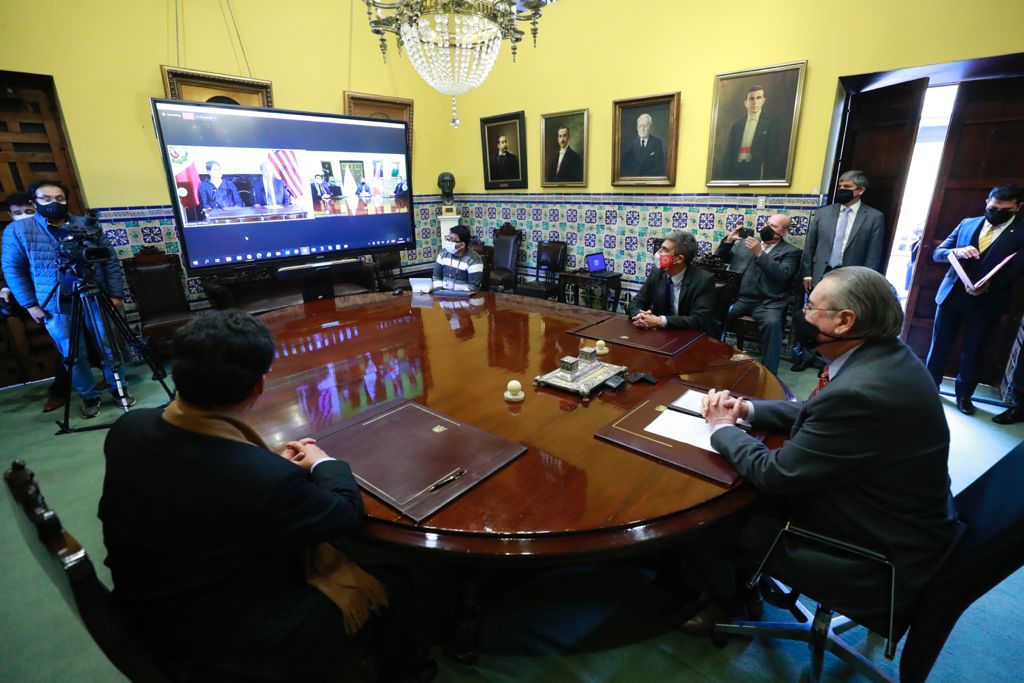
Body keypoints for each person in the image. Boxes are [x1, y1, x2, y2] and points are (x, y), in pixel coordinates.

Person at [99, 310, 434, 683]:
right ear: (259, 385)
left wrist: (267, 467)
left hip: (144, 612)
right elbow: (345, 515)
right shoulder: (260, 478)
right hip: (221, 645)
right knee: (402, 584)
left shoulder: (128, 428)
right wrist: (326, 464)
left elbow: (205, 482)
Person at [670, 267, 959, 637]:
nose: (802, 315)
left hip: (875, 552)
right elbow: (815, 409)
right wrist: (746, 409)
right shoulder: (885, 357)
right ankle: (745, 584)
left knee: (711, 517)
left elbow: (775, 475)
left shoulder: (860, 392)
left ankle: (730, 604)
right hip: (903, 516)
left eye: (810, 307)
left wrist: (722, 427)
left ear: (844, 321)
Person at [1, 180, 130, 419]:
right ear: (34, 202)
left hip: (96, 295)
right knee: (72, 354)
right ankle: (89, 396)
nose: (54, 203)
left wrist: (115, 294)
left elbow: (109, 260)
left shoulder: (85, 225)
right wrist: (30, 304)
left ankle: (119, 391)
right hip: (55, 302)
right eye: (46, 198)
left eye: (59, 198)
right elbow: (13, 269)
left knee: (109, 347)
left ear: (67, 200)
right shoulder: (18, 230)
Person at [925, 184, 1024, 415]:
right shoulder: (967, 223)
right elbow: (938, 253)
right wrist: (956, 252)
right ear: (986, 203)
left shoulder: (1021, 232)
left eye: (1004, 209)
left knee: (974, 351)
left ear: (1017, 207)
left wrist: (988, 286)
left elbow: (1017, 269)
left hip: (987, 301)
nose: (996, 211)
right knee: (939, 346)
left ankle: (964, 397)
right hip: (951, 296)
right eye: (992, 207)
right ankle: (929, 389)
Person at [793, 170, 886, 371]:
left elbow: (873, 253)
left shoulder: (873, 217)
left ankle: (832, 360)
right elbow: (810, 246)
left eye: (847, 188)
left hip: (849, 277)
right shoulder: (823, 213)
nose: (841, 190)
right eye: (840, 187)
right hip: (820, 273)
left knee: (840, 318)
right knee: (813, 314)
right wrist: (807, 273)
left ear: (860, 190)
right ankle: (807, 355)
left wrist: (865, 283)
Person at [1, 192, 70, 412]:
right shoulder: (12, 234)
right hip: (30, 300)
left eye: (28, 212)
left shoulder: (50, 231)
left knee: (70, 345)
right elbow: (12, 267)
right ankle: (60, 391)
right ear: (10, 215)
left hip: (58, 297)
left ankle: (64, 389)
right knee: (64, 346)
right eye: (17, 213)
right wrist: (11, 291)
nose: (23, 217)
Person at [715, 214, 802, 375]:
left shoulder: (791, 252)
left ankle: (769, 374)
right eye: (767, 223)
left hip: (768, 302)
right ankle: (712, 358)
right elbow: (720, 259)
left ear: (784, 232)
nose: (767, 228)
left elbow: (782, 275)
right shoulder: (744, 244)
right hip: (740, 298)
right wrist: (729, 241)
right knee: (715, 315)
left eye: (773, 226)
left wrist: (760, 254)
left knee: (773, 324)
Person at [627, 230, 718, 336]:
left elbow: (699, 319)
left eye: (664, 250)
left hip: (693, 336)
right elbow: (636, 303)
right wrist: (641, 316)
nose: (658, 253)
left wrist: (660, 321)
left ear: (679, 259)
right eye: (660, 248)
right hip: (662, 335)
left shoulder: (704, 280)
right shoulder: (656, 274)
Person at [720, 85, 785, 181]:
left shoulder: (771, 125)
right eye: (751, 99)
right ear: (745, 103)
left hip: (757, 172)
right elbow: (728, 155)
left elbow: (773, 155)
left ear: (763, 100)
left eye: (758, 98)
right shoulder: (736, 126)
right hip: (736, 171)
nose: (755, 102)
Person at [431, 225, 483, 292]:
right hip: (443, 297)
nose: (448, 242)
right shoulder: (443, 253)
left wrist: (456, 297)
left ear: (462, 245)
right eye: (448, 239)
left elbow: (473, 287)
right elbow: (436, 276)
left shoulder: (474, 259)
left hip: (465, 298)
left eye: (452, 240)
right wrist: (440, 292)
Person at [620, 113, 666, 177]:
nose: (642, 129)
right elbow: (622, 163)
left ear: (650, 127)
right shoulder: (633, 143)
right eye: (640, 126)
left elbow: (659, 167)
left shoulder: (657, 143)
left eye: (645, 126)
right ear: (637, 128)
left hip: (650, 181)